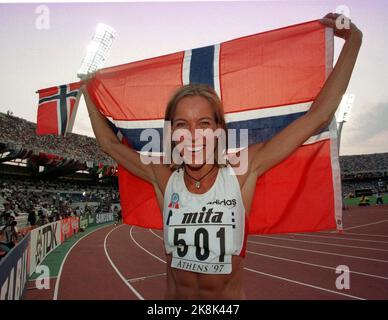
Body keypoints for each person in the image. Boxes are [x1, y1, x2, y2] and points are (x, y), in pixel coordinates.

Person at [81, 13, 362, 299]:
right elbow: (109, 145)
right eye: (182, 125)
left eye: (203, 124)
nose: (193, 135)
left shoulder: (242, 170)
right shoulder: (162, 176)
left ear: (218, 130)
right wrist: (87, 93)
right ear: (171, 134)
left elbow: (318, 116)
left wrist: (354, 41)